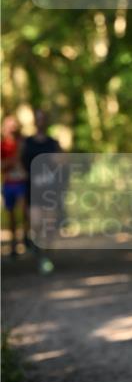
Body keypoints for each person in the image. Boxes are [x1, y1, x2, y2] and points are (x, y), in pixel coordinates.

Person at [21, 108, 62, 274]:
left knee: (50, 225)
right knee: (37, 223)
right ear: (34, 121)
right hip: (33, 187)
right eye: (37, 118)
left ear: (46, 121)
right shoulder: (27, 142)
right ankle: (39, 251)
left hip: (50, 188)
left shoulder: (53, 142)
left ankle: (46, 254)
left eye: (42, 118)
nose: (40, 121)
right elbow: (19, 162)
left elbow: (63, 162)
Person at [1, 115, 29, 258]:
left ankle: (25, 237)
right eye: (9, 125)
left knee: (24, 211)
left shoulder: (23, 142)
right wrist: (11, 162)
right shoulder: (3, 144)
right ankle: (13, 244)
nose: (12, 128)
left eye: (14, 125)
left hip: (21, 183)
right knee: (11, 214)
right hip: (8, 183)